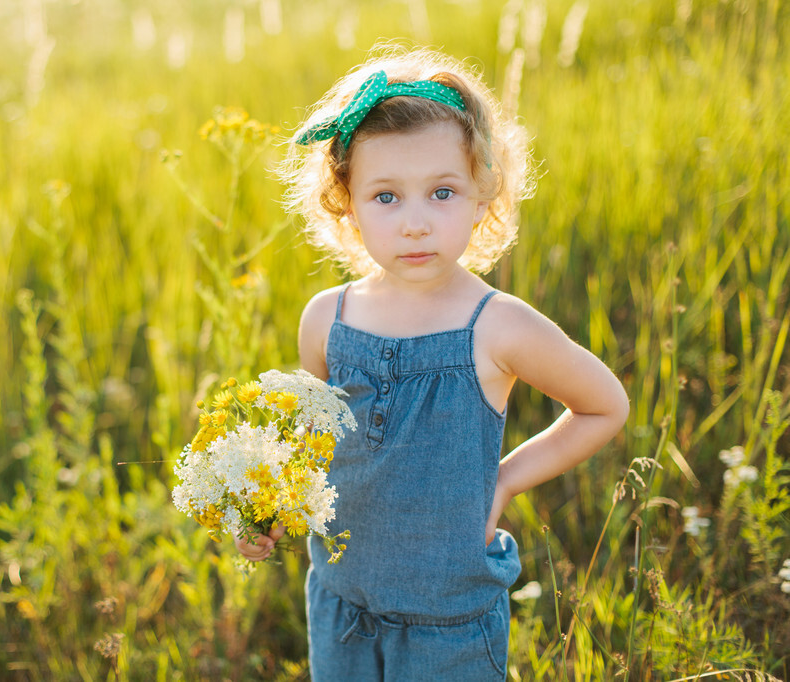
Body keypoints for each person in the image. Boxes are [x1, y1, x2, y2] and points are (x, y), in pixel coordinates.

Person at [235, 45, 629, 681]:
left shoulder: (497, 325)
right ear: (347, 203)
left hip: (450, 618)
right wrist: (269, 509)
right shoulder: (326, 321)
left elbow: (604, 405)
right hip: (343, 604)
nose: (415, 224)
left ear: (481, 196)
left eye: (441, 192)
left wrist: (501, 481)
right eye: (386, 197)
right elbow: (314, 443)